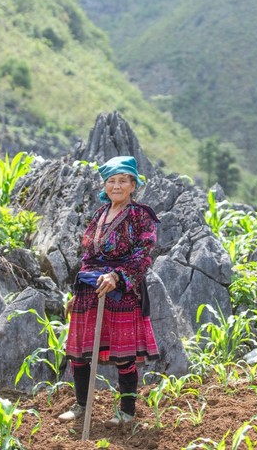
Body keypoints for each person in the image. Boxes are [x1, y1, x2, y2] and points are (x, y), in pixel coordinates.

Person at [58, 155, 160, 426]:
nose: (116, 186)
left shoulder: (141, 216)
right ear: (105, 185)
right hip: (90, 290)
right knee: (78, 352)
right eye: (111, 180)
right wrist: (77, 292)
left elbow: (143, 256)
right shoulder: (98, 215)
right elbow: (87, 257)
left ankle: (127, 412)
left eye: (123, 180)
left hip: (122, 292)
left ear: (133, 185)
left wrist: (117, 276)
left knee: (123, 355)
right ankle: (82, 405)